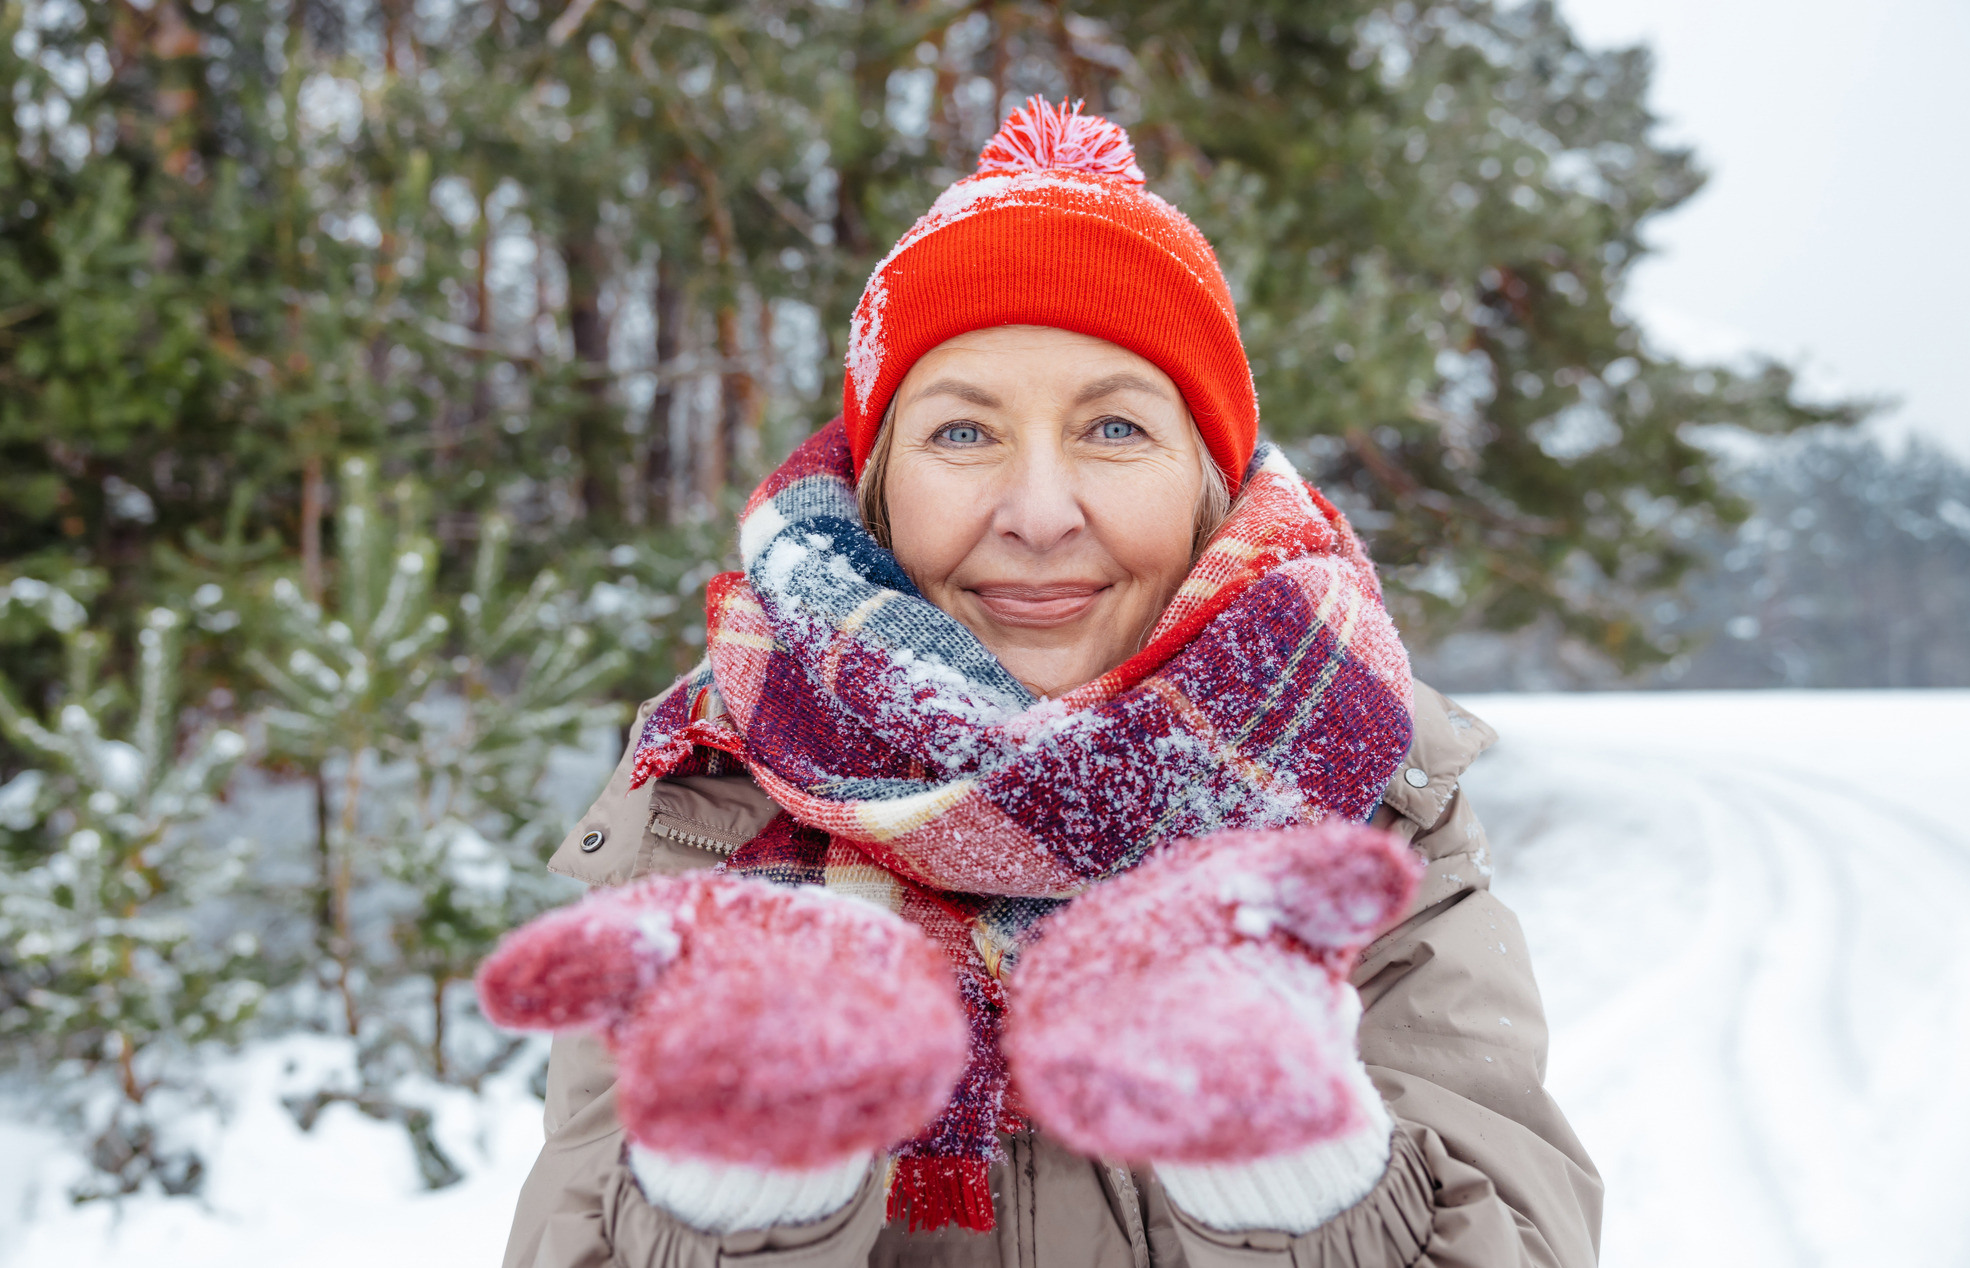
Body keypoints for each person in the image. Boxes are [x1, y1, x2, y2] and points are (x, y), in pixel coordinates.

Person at [494, 98, 1601, 1268]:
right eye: (963, 434)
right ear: (877, 487)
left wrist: (1287, 1166)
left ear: (1205, 487)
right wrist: (741, 1180)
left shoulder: (1362, 799)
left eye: (1114, 430)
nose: (1035, 514)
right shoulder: (716, 801)